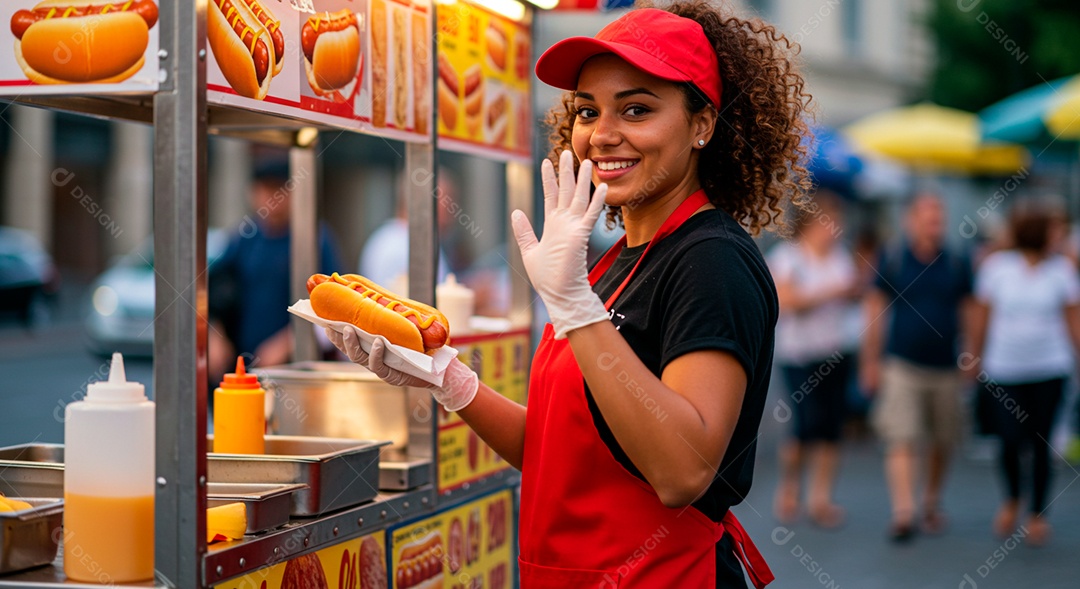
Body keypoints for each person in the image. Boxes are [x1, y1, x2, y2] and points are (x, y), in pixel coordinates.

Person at [327, 2, 812, 586]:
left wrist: (576, 307)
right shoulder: (617, 260)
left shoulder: (711, 259)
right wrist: (448, 379)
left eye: (637, 109)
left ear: (703, 124)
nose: (603, 135)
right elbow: (561, 451)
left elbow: (684, 470)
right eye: (587, 111)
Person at [861, 193, 973, 542]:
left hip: (945, 366)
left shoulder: (956, 262)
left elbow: (970, 309)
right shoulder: (894, 259)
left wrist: (973, 352)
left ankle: (930, 499)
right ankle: (904, 511)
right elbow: (875, 311)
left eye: (938, 216)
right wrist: (870, 361)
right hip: (901, 365)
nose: (934, 223)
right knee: (901, 436)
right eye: (927, 216)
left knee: (943, 439)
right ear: (909, 220)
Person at [967, 201, 1080, 546]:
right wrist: (974, 357)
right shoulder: (997, 268)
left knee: (1042, 440)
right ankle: (1013, 497)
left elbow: (1072, 319)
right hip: (1005, 370)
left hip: (1049, 368)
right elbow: (982, 316)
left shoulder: (1061, 270)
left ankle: (1037, 513)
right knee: (1010, 439)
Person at [768, 192, 858, 528]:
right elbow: (790, 301)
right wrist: (833, 293)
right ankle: (790, 489)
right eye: (828, 221)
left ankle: (820, 498)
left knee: (831, 427)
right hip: (798, 354)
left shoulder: (841, 257)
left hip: (835, 350)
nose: (833, 229)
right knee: (804, 425)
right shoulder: (788, 257)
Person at [208, 159, 343, 381]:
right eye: (264, 189)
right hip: (245, 364)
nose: (271, 198)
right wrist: (215, 336)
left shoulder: (314, 238)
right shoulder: (245, 237)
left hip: (297, 366)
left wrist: (286, 343)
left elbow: (333, 304)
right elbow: (218, 290)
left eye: (278, 190)